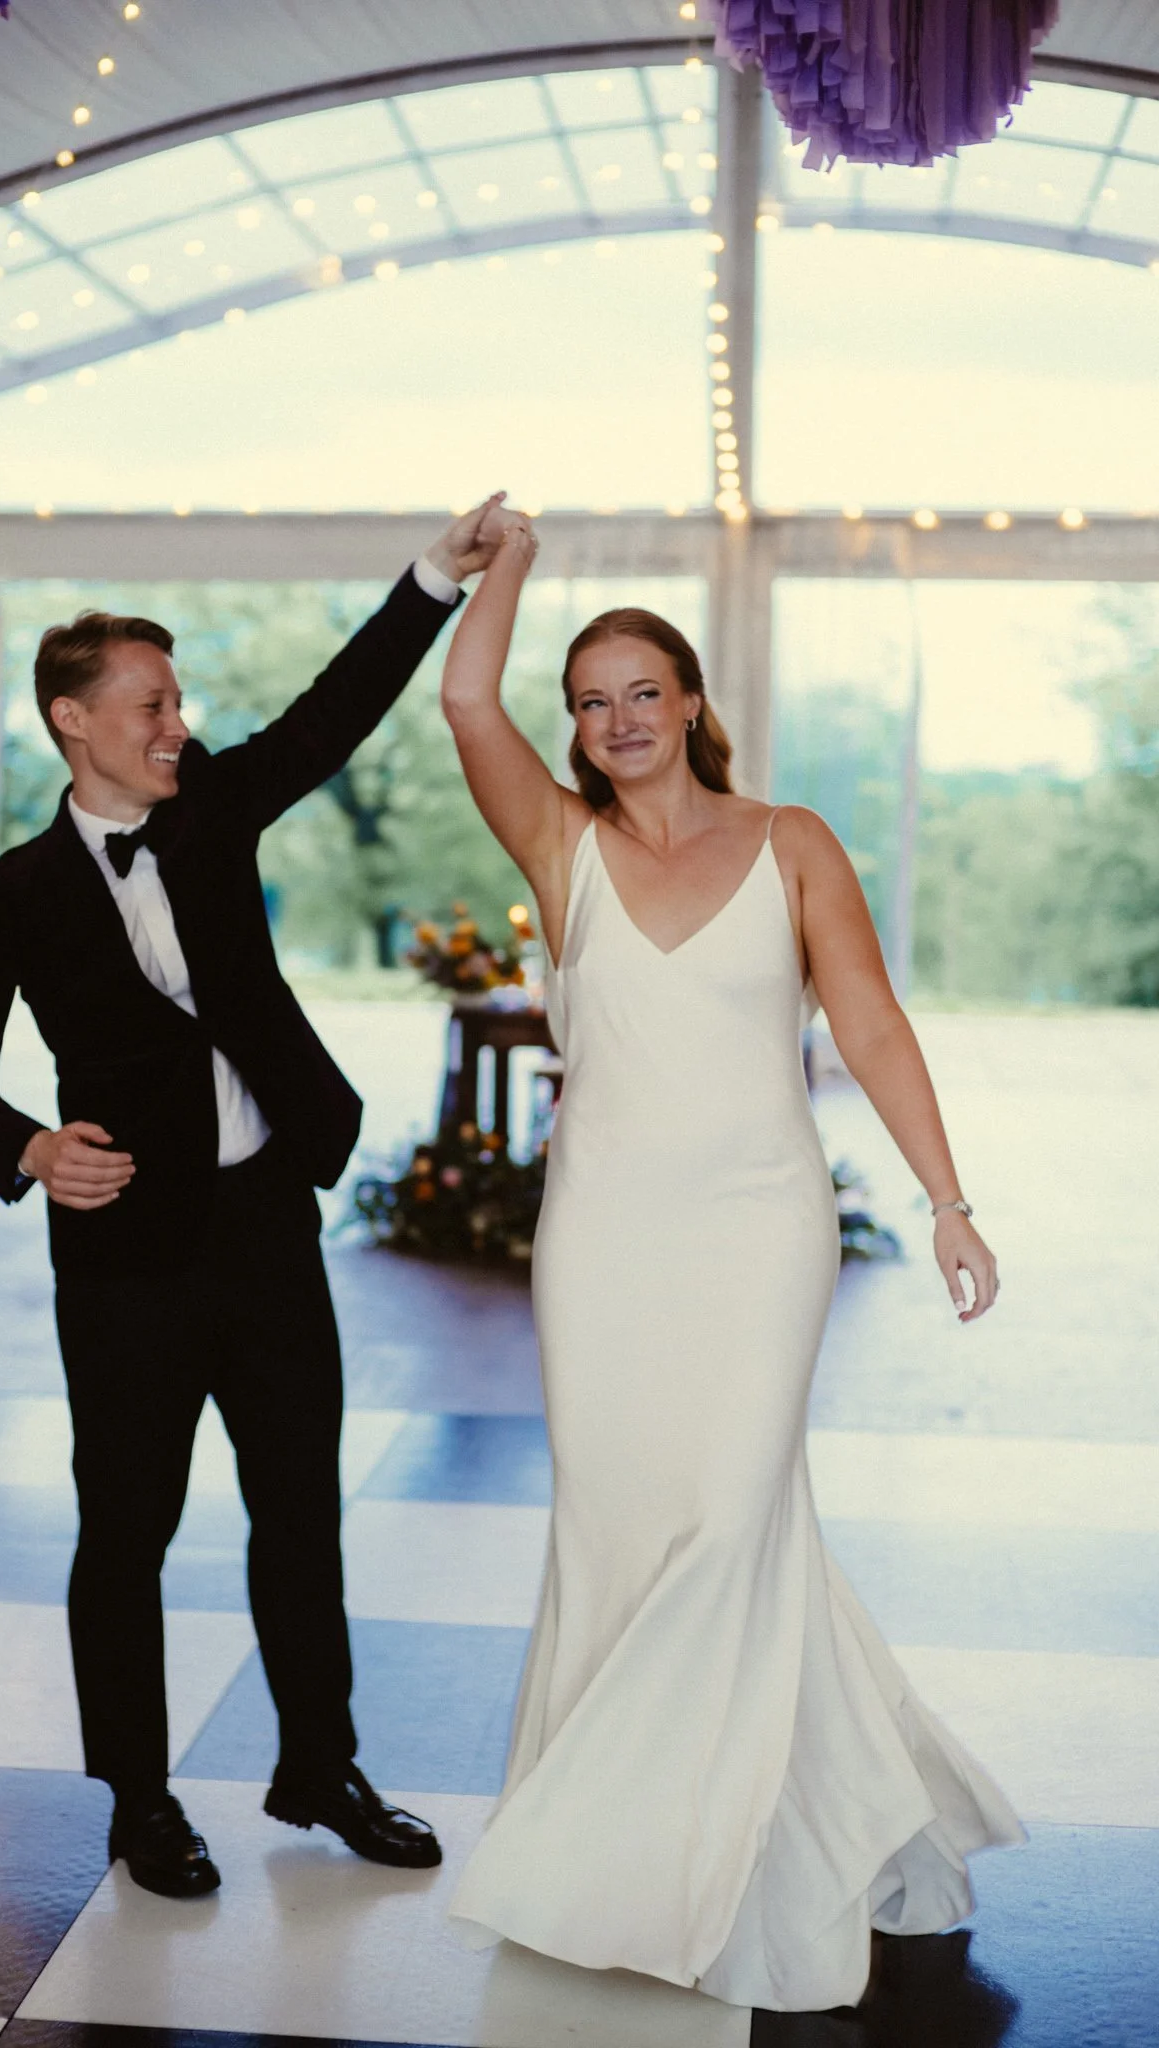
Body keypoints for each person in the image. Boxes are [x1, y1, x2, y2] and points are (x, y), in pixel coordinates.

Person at [440, 511, 1025, 2013]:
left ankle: (665, 1861)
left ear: (692, 700)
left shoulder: (792, 842)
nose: (618, 721)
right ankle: (671, 1838)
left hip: (763, 1229)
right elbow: (462, 699)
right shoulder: (559, 846)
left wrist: (948, 1200)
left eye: (644, 691)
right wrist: (506, 564)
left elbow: (871, 1022)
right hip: (605, 1240)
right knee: (627, 1530)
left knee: (732, 1518)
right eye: (591, 702)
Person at [0, 500, 506, 1900]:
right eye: (151, 706)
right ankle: (139, 1800)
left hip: (266, 1226)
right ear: (72, 720)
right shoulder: (12, 894)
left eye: (178, 702)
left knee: (301, 1511)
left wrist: (435, 576)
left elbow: (334, 713)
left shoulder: (217, 809)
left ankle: (321, 1769)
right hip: (123, 1257)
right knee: (127, 1533)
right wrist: (29, 1149)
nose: (177, 726)